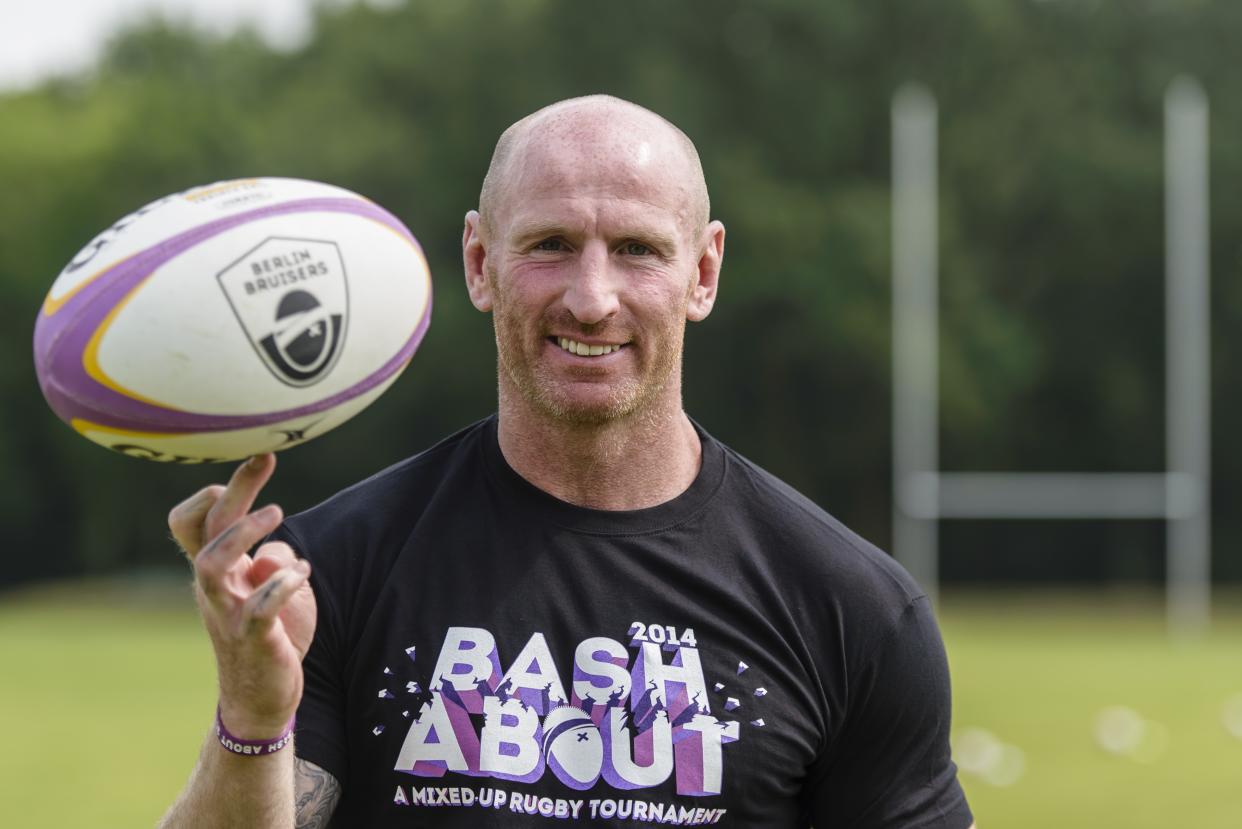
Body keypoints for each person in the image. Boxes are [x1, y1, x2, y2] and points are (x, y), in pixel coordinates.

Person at [159, 95, 974, 828]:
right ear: (481, 263)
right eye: (551, 244)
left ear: (703, 271)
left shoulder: (849, 608)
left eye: (637, 249)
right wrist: (255, 717)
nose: (591, 297)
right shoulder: (330, 569)